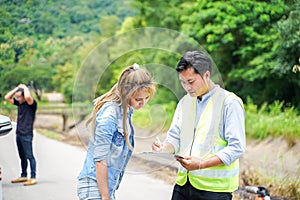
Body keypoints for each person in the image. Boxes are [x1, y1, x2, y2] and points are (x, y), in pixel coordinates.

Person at [152, 51, 246, 200]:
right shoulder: (185, 102)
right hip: (183, 185)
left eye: (190, 81)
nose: (187, 87)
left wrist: (202, 164)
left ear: (206, 75)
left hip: (214, 191)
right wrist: (165, 147)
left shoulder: (229, 103)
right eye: (182, 82)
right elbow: (175, 137)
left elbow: (237, 147)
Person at [77, 64, 156, 200]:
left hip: (106, 188)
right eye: (138, 99)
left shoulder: (125, 110)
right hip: (95, 189)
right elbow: (100, 160)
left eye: (146, 98)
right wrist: (105, 196)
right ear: (126, 93)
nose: (143, 103)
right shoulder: (109, 116)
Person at [4, 84, 38, 186]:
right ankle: (23, 175)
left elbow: (28, 97)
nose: (17, 98)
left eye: (19, 96)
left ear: (24, 95)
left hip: (27, 134)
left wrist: (24, 88)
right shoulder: (19, 104)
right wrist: (16, 89)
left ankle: (33, 177)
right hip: (19, 133)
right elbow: (7, 97)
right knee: (22, 156)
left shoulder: (31, 104)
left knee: (29, 156)